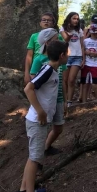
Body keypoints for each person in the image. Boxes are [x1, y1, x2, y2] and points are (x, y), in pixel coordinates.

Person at [16, 40, 69, 192]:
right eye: (67, 53)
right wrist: (40, 111)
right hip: (37, 121)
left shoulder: (53, 70)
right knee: (34, 158)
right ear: (62, 56)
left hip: (40, 122)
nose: (68, 56)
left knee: (33, 157)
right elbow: (28, 89)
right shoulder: (47, 70)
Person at [30, 28, 67, 156]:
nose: (59, 40)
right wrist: (39, 108)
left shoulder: (60, 60)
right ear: (47, 42)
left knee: (59, 127)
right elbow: (33, 83)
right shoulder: (39, 60)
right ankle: (39, 154)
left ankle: (45, 147)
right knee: (43, 128)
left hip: (59, 98)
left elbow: (61, 80)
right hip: (45, 101)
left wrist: (65, 100)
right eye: (56, 39)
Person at [24, 12, 57, 85]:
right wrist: (27, 73)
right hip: (37, 67)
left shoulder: (57, 37)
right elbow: (29, 55)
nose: (46, 21)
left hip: (52, 66)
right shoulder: (34, 36)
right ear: (40, 23)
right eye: (44, 20)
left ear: (53, 23)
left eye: (49, 20)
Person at [59, 12, 85, 107]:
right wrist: (69, 33)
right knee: (65, 80)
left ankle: (70, 101)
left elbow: (82, 45)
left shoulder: (80, 30)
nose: (76, 20)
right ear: (69, 19)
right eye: (74, 18)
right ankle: (64, 100)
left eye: (77, 19)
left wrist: (83, 59)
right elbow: (65, 39)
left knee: (71, 79)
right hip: (66, 57)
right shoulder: (63, 28)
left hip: (77, 57)